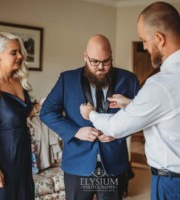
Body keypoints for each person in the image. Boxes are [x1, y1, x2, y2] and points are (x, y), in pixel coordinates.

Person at [80, 2, 180, 200]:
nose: (145, 47)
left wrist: (91, 114)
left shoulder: (161, 84)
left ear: (159, 38)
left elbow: (116, 127)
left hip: (173, 186)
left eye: (144, 40)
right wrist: (132, 104)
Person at [40, 34, 140, 200]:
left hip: (113, 163)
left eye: (106, 61)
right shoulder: (67, 79)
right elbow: (46, 112)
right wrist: (75, 131)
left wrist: (119, 132)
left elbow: (142, 116)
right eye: (94, 61)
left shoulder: (129, 80)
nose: (101, 67)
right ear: (85, 57)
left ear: (111, 56)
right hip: (77, 163)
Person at [0, 32, 41, 200]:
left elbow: (20, 116)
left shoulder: (18, 81)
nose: (20, 56)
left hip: (21, 155)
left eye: (20, 52)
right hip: (1, 159)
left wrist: (39, 106)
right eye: (14, 52)